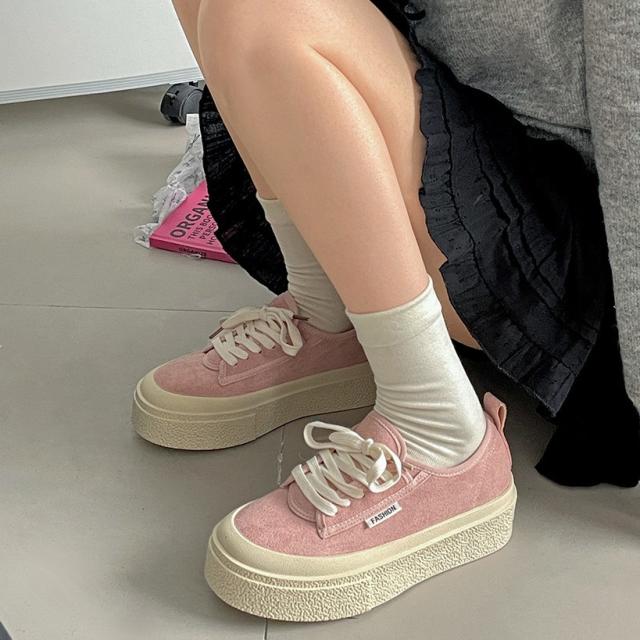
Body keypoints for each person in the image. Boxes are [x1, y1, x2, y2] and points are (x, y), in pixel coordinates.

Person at [132, 0, 639, 621]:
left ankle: (443, 435)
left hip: (577, 264)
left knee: (258, 11)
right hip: (474, 158)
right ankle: (330, 316)